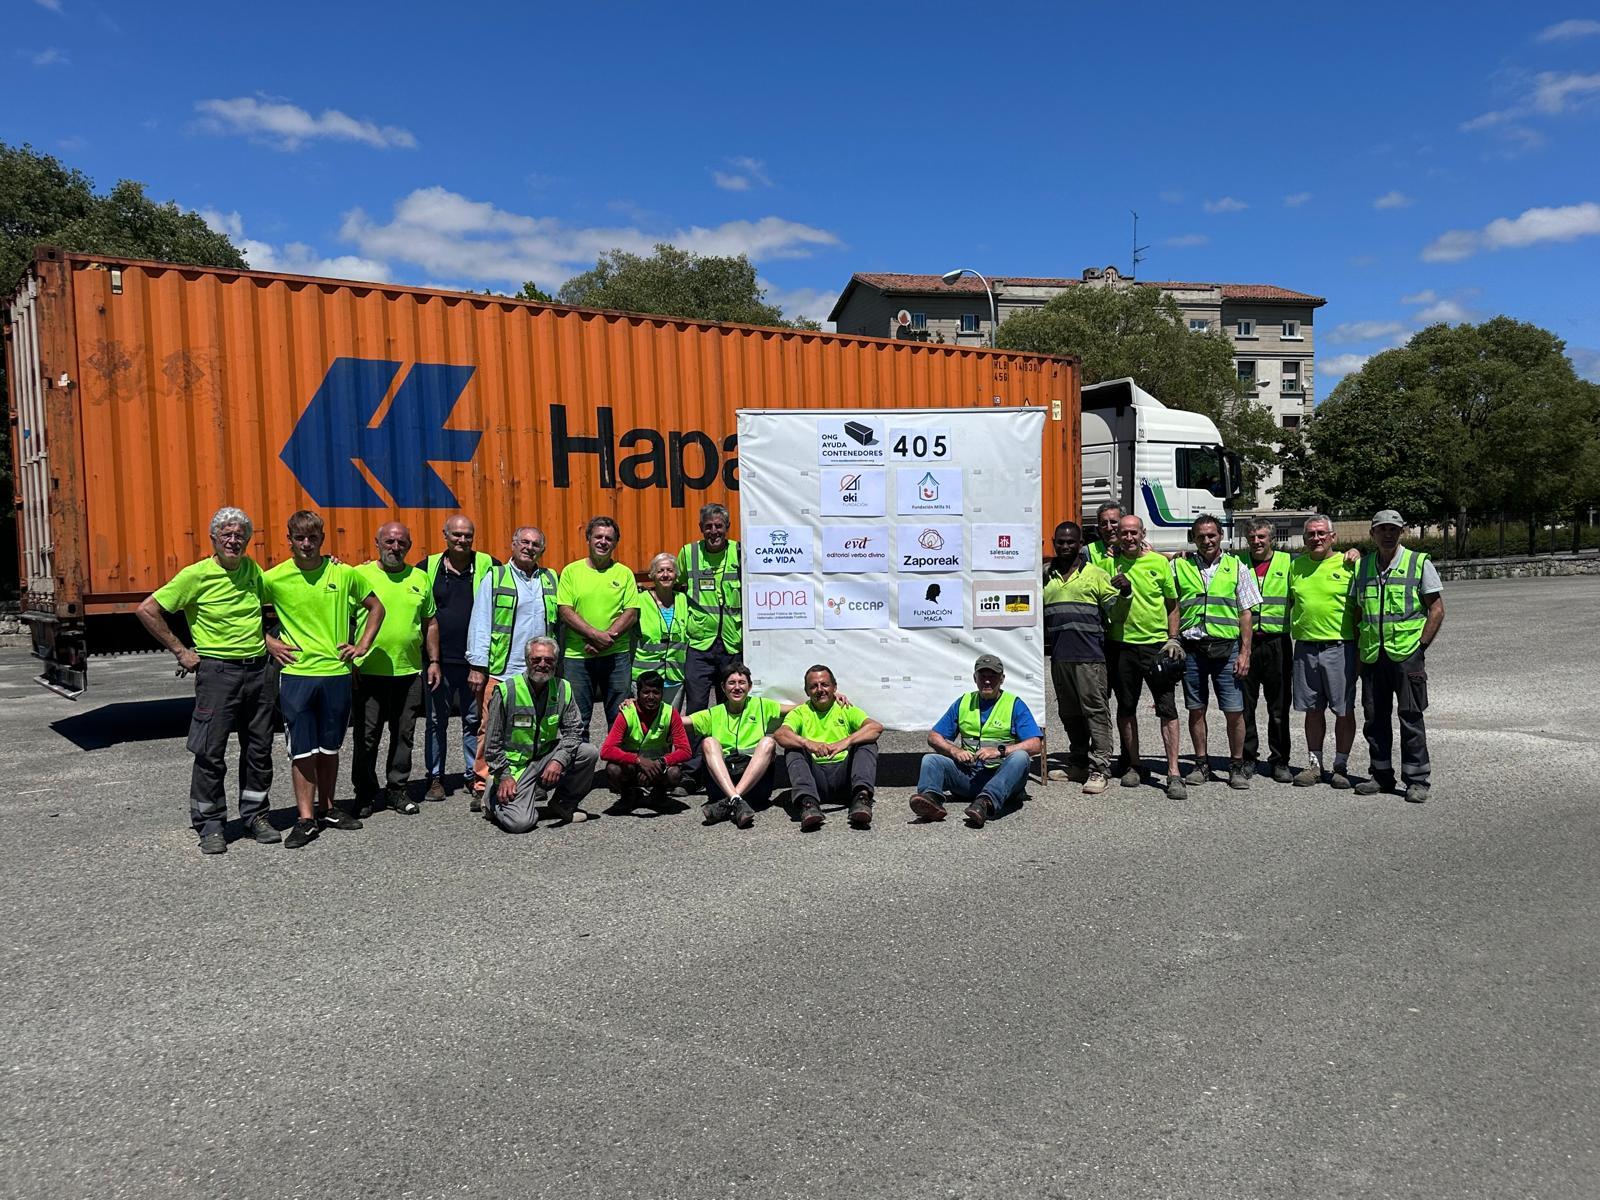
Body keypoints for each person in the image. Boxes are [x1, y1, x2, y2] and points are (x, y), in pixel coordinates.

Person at [137, 506, 279, 854]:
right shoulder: (196, 575)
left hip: (258, 672)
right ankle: (211, 825)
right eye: (226, 534)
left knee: (259, 750)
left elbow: (281, 595)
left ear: (248, 540)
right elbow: (147, 609)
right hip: (218, 674)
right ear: (213, 538)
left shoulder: (252, 570)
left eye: (240, 535)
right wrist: (181, 651)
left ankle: (256, 816)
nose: (233, 540)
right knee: (210, 752)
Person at [262, 510, 385, 849]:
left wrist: (362, 645)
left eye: (312, 537)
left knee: (330, 747)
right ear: (289, 540)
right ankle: (305, 819)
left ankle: (328, 808)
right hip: (297, 674)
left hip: (336, 674)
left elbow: (377, 608)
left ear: (322, 539)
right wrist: (268, 641)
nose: (306, 543)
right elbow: (243, 609)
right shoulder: (274, 578)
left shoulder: (343, 573)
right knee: (302, 750)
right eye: (300, 538)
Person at [1352, 510, 1445, 803]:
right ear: (1373, 534)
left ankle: (1416, 780)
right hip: (1372, 656)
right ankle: (1380, 775)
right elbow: (1358, 611)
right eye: (1382, 529)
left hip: (1407, 655)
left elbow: (1437, 609)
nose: (1388, 534)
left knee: (1410, 717)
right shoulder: (1363, 567)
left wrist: (1421, 646)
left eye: (1393, 529)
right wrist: (1359, 650)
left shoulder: (1418, 563)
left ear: (1401, 532)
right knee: (1374, 718)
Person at [352, 523, 441, 819]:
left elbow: (430, 622)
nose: (395, 547)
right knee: (367, 737)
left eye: (401, 543)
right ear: (377, 543)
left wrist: (434, 661)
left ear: (409, 546)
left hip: (408, 672)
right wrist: (349, 661)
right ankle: (365, 793)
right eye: (389, 541)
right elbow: (344, 618)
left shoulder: (419, 578)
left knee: (404, 734)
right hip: (368, 672)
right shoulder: (359, 574)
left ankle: (396, 789)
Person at [465, 526, 558, 805]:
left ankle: (529, 782)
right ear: (513, 545)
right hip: (502, 668)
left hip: (538, 671)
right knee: (490, 728)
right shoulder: (495, 577)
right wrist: (477, 665)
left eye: (535, 544)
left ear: (542, 550)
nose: (529, 548)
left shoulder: (550, 578)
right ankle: (482, 784)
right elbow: (480, 621)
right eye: (524, 542)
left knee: (533, 729)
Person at [1174, 513, 1259, 790]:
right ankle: (1201, 764)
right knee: (1196, 710)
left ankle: (1236, 766)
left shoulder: (1237, 567)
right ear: (1193, 539)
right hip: (1193, 649)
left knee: (1234, 711)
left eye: (1212, 535)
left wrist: (1245, 653)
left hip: (1227, 649)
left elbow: (1246, 613)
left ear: (1221, 535)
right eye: (1201, 536)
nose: (1207, 540)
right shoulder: (1180, 565)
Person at [909, 654, 1043, 828]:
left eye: (993, 676)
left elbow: (1035, 744)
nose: (987, 681)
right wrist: (955, 751)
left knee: (1021, 758)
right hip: (970, 776)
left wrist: (1000, 751)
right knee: (931, 760)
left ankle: (985, 803)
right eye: (982, 676)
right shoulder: (964, 702)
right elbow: (933, 737)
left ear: (1002, 679)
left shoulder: (1014, 704)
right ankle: (931, 800)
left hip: (1002, 777)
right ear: (975, 678)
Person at [482, 637, 599, 832]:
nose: (542, 664)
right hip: (515, 768)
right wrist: (504, 776)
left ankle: (563, 803)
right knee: (520, 823)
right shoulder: (506, 691)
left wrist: (559, 760)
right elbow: (492, 744)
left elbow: (574, 731)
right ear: (527, 660)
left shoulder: (563, 688)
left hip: (545, 758)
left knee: (588, 752)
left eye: (549, 660)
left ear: (556, 662)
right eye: (536, 659)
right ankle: (492, 798)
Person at [1106, 514, 1185, 798]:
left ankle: (1174, 772)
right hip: (1121, 646)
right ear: (1118, 535)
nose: (1128, 537)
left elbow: (1172, 603)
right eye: (1124, 533)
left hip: (1155, 646)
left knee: (1167, 708)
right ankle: (1134, 765)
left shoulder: (1158, 563)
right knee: (1126, 707)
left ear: (1143, 534)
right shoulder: (1108, 564)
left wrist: (1173, 638)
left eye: (1133, 532)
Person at [1042, 520, 1118, 794]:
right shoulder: (1046, 577)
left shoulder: (1096, 574)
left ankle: (1100, 768)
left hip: (1090, 658)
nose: (1065, 546)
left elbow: (1116, 612)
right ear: (1054, 543)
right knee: (1069, 713)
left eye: (1071, 541)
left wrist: (1125, 592)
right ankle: (1078, 764)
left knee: (1095, 712)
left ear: (1080, 544)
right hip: (1060, 658)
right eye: (1060, 542)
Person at [423, 514, 495, 802]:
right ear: (445, 535)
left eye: (467, 535)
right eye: (456, 534)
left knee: (474, 720)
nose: (462, 540)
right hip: (437, 661)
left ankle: (472, 774)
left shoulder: (489, 564)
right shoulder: (428, 567)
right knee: (435, 721)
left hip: (474, 661)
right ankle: (435, 778)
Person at [1287, 514, 1359, 789]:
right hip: (1305, 648)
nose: (1316, 538)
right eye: (1311, 534)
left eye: (1321, 533)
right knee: (1312, 710)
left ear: (1332, 537)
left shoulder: (1349, 563)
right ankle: (1315, 766)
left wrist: (1357, 552)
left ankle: (1340, 766)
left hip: (1340, 647)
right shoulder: (1296, 566)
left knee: (1343, 710)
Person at [556, 516, 640, 737]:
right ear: (588, 539)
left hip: (616, 656)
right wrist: (596, 636)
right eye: (598, 537)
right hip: (578, 657)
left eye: (609, 538)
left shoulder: (624, 573)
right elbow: (565, 611)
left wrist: (604, 642)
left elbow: (631, 613)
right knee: (577, 720)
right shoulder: (571, 572)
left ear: (615, 543)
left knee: (620, 718)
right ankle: (578, 760)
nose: (603, 542)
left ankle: (615, 759)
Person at [774, 664, 884, 831]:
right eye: (814, 686)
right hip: (814, 780)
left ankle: (861, 798)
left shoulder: (845, 708)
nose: (820, 690)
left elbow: (875, 727)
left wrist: (845, 742)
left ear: (834, 687)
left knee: (867, 742)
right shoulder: (800, 712)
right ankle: (808, 804)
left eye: (825, 684)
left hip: (845, 779)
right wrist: (807, 743)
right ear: (807, 691)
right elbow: (780, 734)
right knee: (793, 747)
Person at [687, 662, 788, 829]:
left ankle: (731, 800)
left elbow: (799, 709)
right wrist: (643, 707)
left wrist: (829, 698)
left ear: (750, 687)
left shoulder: (762, 706)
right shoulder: (714, 713)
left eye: (742, 683)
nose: (737, 687)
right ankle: (736, 800)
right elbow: (680, 721)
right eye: (731, 683)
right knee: (708, 742)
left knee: (768, 742)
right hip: (722, 784)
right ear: (723, 687)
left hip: (755, 786)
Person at [1235, 519, 1294, 783]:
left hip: (1276, 643)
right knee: (1245, 706)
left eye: (1261, 537)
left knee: (1278, 707)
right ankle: (1248, 757)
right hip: (1246, 644)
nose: (1256, 541)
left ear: (1271, 538)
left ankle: (1280, 760)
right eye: (1252, 537)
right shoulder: (1237, 563)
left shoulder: (1288, 563)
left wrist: (1353, 553)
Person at [677, 503, 742, 713]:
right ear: (701, 528)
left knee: (729, 706)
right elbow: (676, 586)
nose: (714, 531)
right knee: (696, 706)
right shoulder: (688, 553)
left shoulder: (739, 552)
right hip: (700, 643)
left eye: (719, 526)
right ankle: (695, 738)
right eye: (708, 526)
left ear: (727, 527)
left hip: (732, 643)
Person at [599, 670, 692, 808]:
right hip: (632, 768)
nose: (651, 697)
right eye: (646, 692)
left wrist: (661, 762)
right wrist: (638, 761)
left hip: (658, 768)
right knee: (613, 769)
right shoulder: (627, 713)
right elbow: (606, 751)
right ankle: (629, 794)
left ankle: (659, 794)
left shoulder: (670, 713)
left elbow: (685, 751)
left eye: (656, 692)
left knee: (675, 773)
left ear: (662, 694)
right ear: (638, 694)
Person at [631, 553, 689, 708]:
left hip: (675, 677)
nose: (665, 575)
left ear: (676, 575)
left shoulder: (684, 600)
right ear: (652, 575)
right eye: (660, 571)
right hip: (645, 680)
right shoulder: (639, 600)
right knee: (645, 721)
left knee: (670, 720)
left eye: (670, 570)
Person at [1083, 502, 1122, 572]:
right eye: (1104, 524)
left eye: (1113, 522)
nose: (1109, 528)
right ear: (1099, 527)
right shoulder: (1087, 551)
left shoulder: (1137, 550)